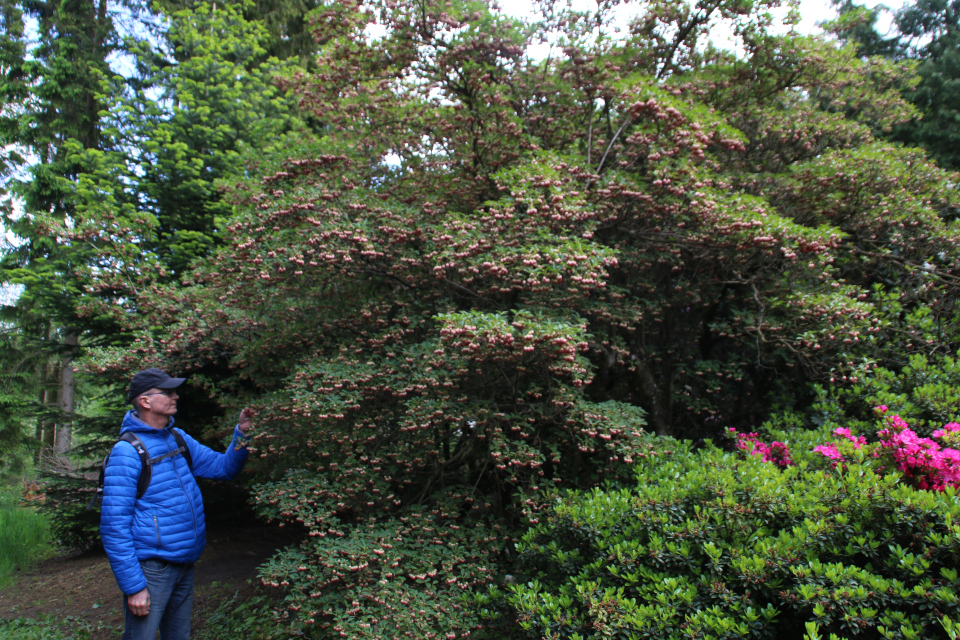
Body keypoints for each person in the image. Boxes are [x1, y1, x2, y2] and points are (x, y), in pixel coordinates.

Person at [100, 368, 251, 640]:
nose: (176, 396)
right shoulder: (127, 452)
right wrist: (134, 587)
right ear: (145, 401)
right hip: (151, 570)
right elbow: (114, 527)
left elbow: (224, 468)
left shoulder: (178, 438)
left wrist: (241, 433)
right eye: (168, 392)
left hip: (184, 563)